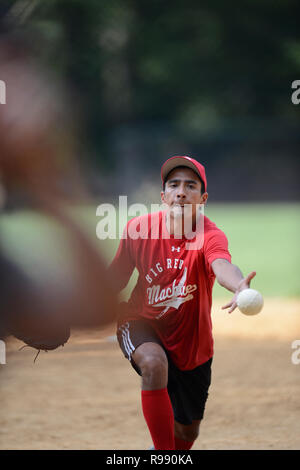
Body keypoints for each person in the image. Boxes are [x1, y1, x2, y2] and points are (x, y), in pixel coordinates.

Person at [109, 155, 256, 450]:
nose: (181, 191)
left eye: (190, 185)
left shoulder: (210, 235)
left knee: (187, 433)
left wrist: (238, 287)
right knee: (153, 363)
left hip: (193, 344)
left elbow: (222, 265)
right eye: (174, 184)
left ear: (202, 198)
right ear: (163, 196)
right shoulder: (139, 230)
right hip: (140, 323)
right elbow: (114, 281)